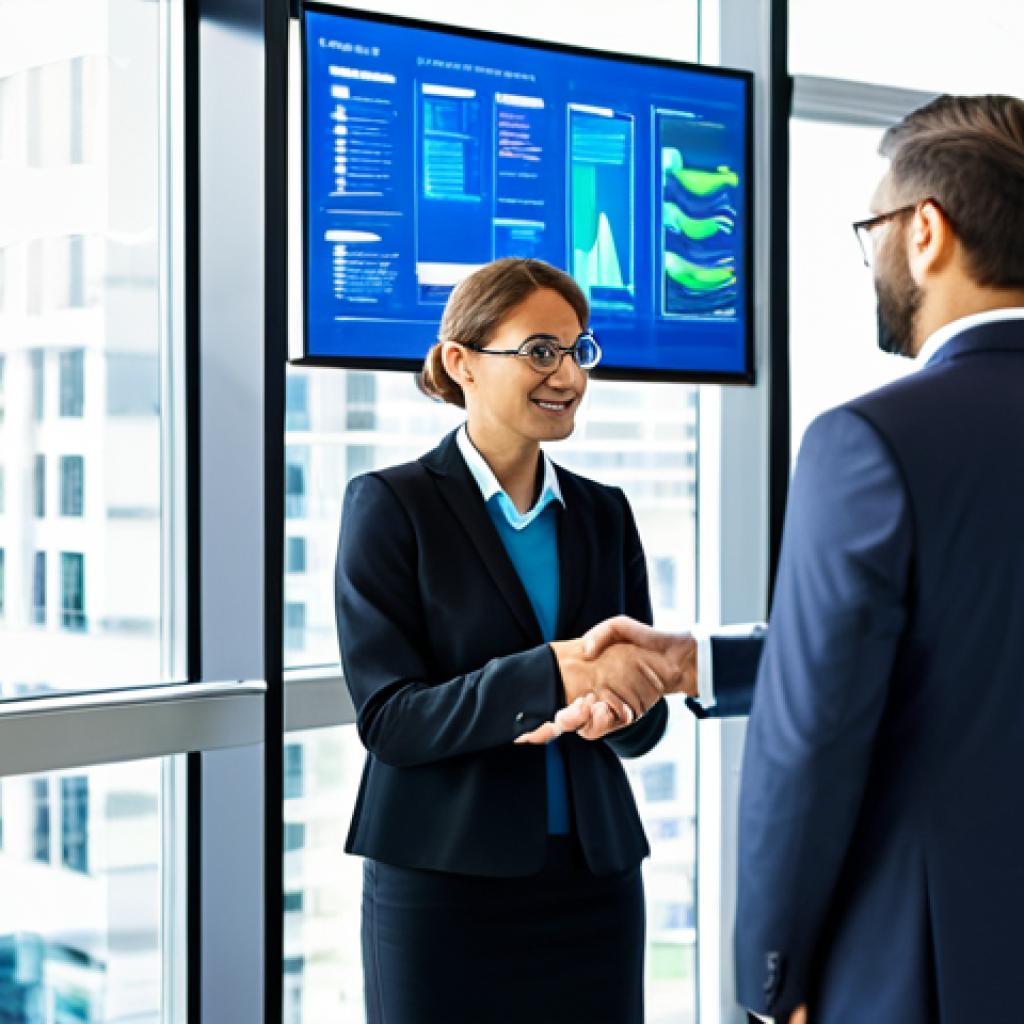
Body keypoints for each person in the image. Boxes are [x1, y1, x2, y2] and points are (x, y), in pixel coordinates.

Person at [583, 93, 1024, 1024]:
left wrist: (769, 979)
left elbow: (813, 739)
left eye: (872, 230)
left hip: (934, 965)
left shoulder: (875, 439)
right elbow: (979, 635)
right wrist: (702, 661)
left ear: (925, 233)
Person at [334, 257, 695, 1024]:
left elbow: (646, 717)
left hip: (593, 881)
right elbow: (391, 721)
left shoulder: (603, 513)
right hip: (444, 885)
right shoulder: (390, 506)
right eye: (540, 350)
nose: (567, 373)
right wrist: (551, 674)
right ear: (462, 363)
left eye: (578, 350)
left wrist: (624, 709)